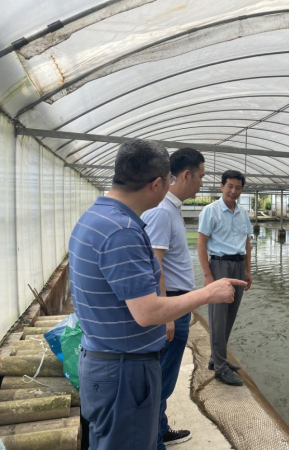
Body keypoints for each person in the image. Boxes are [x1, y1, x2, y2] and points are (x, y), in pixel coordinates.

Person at [71, 140, 246, 450]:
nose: (170, 185)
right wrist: (207, 293)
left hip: (107, 359)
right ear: (156, 184)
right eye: (168, 179)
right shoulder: (122, 231)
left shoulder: (97, 218)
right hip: (123, 371)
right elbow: (147, 312)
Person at [141, 148, 205, 449]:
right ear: (186, 175)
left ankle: (160, 429)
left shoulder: (171, 210)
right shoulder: (162, 212)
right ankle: (154, 441)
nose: (202, 182)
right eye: (201, 176)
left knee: (164, 378)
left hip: (177, 304)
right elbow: (155, 266)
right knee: (161, 381)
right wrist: (166, 315)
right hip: (171, 307)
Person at [197, 170, 253, 386]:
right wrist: (207, 275)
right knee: (218, 316)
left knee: (230, 314)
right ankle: (220, 369)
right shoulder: (211, 211)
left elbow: (247, 243)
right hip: (220, 264)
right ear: (221, 186)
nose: (233, 191)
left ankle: (217, 358)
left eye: (238, 188)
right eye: (229, 186)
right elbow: (201, 243)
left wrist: (248, 270)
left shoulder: (243, 212)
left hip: (238, 265)